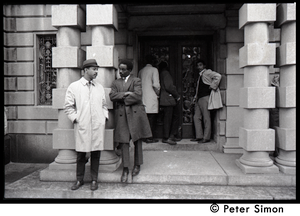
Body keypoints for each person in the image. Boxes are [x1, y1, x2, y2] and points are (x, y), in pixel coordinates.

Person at [64, 59, 108, 191]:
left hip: (97, 125)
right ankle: (79, 179)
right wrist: (76, 118)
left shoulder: (99, 87)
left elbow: (104, 105)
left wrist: (103, 118)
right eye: (94, 69)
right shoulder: (74, 86)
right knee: (81, 154)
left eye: (97, 69)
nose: (96, 72)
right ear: (85, 70)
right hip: (82, 124)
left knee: (96, 153)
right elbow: (68, 107)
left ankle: (94, 179)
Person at [109, 59, 152, 183]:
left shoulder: (136, 80)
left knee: (137, 140)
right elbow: (112, 96)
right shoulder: (115, 82)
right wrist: (127, 94)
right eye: (119, 69)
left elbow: (138, 95)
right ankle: (126, 168)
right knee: (124, 142)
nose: (120, 71)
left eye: (123, 69)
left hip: (135, 115)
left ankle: (137, 165)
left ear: (129, 70)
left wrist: (121, 95)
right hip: (122, 115)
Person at [191, 59, 222, 143]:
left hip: (205, 97)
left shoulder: (207, 72)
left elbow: (218, 76)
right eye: (198, 65)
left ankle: (206, 137)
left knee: (206, 117)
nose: (199, 67)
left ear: (204, 66)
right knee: (196, 117)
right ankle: (199, 136)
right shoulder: (200, 75)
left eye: (200, 65)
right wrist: (195, 97)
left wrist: (213, 86)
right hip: (199, 98)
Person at [138, 54, 160, 143]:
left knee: (145, 118)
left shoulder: (141, 71)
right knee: (152, 118)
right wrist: (158, 93)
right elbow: (156, 85)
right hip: (151, 96)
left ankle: (144, 136)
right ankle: (150, 137)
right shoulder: (154, 70)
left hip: (142, 97)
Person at [158, 61, 181, 145]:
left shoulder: (160, 74)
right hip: (168, 100)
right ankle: (168, 137)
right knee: (171, 118)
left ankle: (169, 136)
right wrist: (177, 95)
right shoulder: (166, 73)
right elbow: (169, 86)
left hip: (164, 99)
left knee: (168, 118)